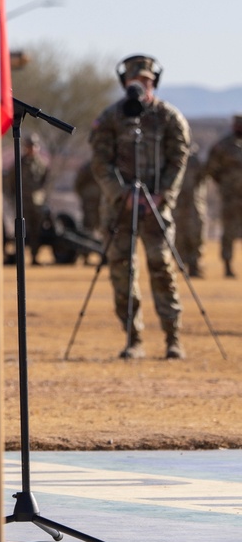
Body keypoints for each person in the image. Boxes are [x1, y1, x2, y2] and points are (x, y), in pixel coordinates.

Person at [89, 55, 189, 359]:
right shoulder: (110, 118)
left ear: (154, 83)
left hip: (156, 208)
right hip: (120, 209)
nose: (140, 87)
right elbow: (100, 162)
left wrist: (161, 196)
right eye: (134, 82)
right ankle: (134, 338)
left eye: (145, 81)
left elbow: (179, 158)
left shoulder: (169, 117)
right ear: (124, 84)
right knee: (122, 271)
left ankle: (173, 338)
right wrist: (122, 194)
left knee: (162, 267)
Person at [204, 115, 242, 278]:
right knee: (229, 231)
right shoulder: (224, 145)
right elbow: (211, 167)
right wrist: (224, 183)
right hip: (231, 197)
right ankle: (227, 265)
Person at [5, 133, 51, 265]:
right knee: (22, 230)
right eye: (30, 146)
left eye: (34, 146)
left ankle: (35, 256)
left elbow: (44, 181)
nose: (32, 149)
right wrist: (14, 198)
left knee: (36, 230)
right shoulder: (19, 164)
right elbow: (10, 183)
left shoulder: (41, 164)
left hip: (36, 203)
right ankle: (18, 256)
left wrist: (42, 196)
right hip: (22, 202)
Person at [173, 144, 207, 278]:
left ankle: (194, 265)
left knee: (195, 234)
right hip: (176, 203)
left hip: (193, 204)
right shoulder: (171, 157)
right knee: (178, 235)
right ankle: (180, 262)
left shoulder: (195, 160)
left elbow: (203, 177)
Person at [74, 159, 102, 240]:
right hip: (90, 200)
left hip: (100, 200)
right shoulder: (87, 167)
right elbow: (78, 182)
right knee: (89, 222)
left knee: (99, 221)